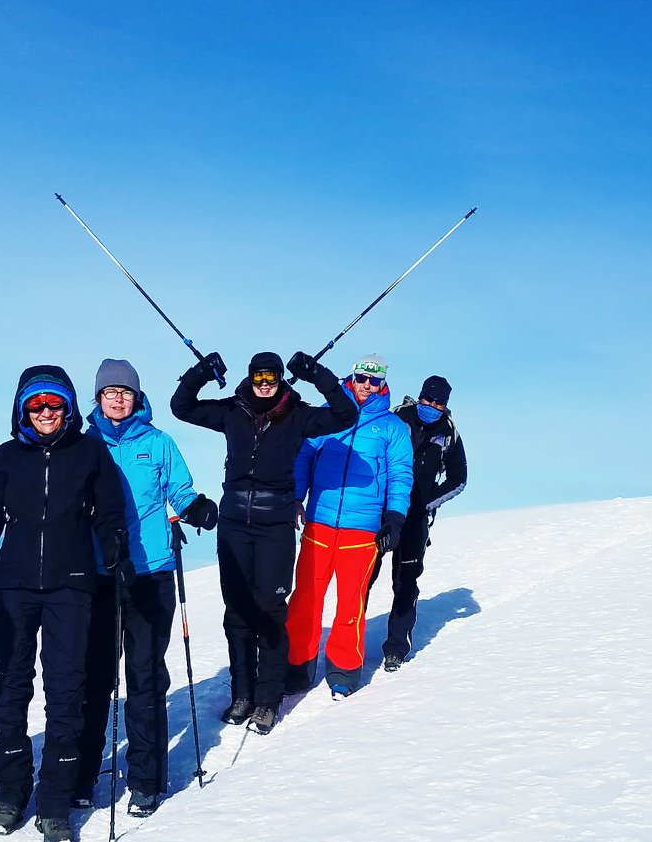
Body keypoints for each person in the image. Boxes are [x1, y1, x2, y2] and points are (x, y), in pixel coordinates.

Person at [0, 366, 127, 842]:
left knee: (66, 692)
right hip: (13, 588)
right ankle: (12, 793)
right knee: (11, 691)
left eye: (54, 404)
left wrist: (115, 550)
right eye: (36, 406)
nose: (46, 413)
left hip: (72, 588)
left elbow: (110, 515)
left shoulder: (90, 452)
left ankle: (54, 803)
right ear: (21, 410)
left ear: (69, 408)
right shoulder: (7, 458)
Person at [171, 348, 355, 733]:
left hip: (275, 525)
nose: (266, 385)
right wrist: (202, 371)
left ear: (280, 379)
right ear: (251, 378)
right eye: (259, 378)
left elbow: (345, 414)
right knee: (237, 610)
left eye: (272, 378)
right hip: (234, 522)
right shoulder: (231, 411)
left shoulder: (299, 414)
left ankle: (267, 699)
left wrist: (316, 373)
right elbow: (181, 406)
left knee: (270, 609)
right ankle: (242, 694)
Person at [74, 358, 217, 818]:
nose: (118, 399)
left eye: (126, 392)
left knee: (145, 676)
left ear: (137, 398)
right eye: (109, 392)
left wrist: (196, 507)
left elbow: (180, 489)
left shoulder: (158, 442)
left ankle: (146, 780)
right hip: (96, 573)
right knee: (93, 679)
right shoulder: (83, 443)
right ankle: (82, 776)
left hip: (149, 571)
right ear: (96, 398)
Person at [288, 353, 413, 695]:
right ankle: (297, 665)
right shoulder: (329, 416)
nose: (367, 386)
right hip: (320, 521)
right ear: (352, 377)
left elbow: (401, 475)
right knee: (305, 598)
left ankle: (344, 669)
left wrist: (394, 518)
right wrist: (296, 496)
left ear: (383, 384)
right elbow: (303, 456)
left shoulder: (392, 428)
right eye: (362, 378)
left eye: (374, 381)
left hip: (363, 529)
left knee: (350, 601)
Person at [373, 374, 469, 669]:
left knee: (405, 582)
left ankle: (396, 648)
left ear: (445, 405)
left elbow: (459, 479)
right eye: (428, 399)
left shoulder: (448, 433)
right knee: (362, 579)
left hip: (415, 519)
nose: (432, 405)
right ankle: (350, 645)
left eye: (439, 402)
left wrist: (426, 504)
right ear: (420, 396)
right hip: (381, 514)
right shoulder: (396, 418)